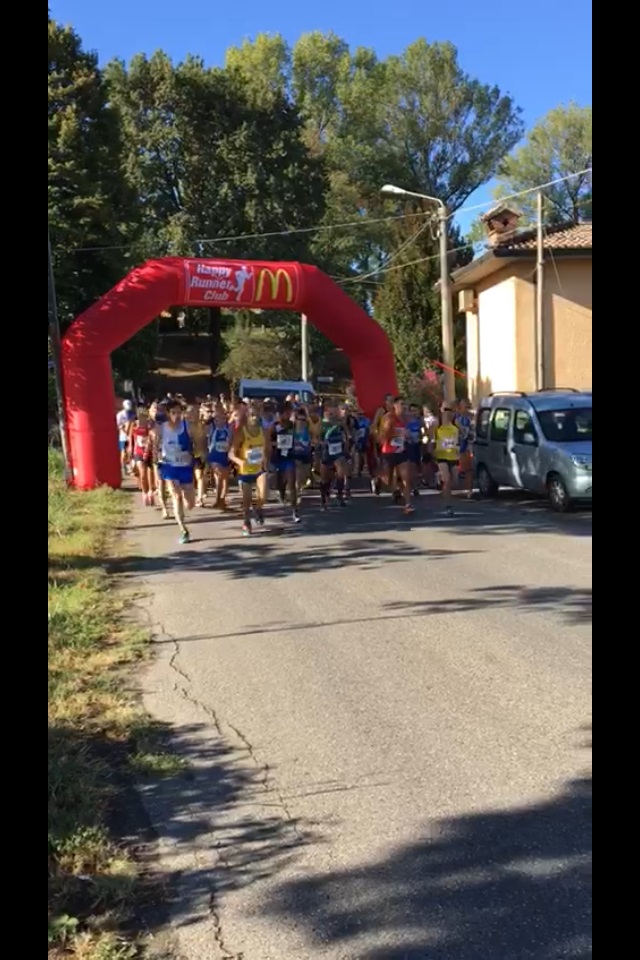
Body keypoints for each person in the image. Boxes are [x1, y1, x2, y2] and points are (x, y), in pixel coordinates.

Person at [154, 399, 195, 543]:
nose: (176, 416)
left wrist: (196, 455)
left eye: (178, 412)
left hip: (185, 466)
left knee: (190, 504)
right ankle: (183, 530)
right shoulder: (162, 428)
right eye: (173, 413)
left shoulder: (187, 426)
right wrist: (156, 458)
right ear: (168, 414)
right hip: (169, 466)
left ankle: (186, 501)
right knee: (176, 496)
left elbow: (197, 441)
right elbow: (155, 445)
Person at [229, 404, 269, 537]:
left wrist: (266, 462)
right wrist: (240, 462)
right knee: (246, 500)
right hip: (245, 471)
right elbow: (231, 454)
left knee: (264, 496)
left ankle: (258, 508)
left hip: (259, 469)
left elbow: (266, 450)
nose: (254, 418)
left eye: (256, 415)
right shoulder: (241, 432)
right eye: (252, 415)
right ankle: (246, 522)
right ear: (247, 416)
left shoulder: (263, 431)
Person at [379, 396, 413, 515]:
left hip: (401, 452)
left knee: (406, 478)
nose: (404, 407)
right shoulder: (388, 417)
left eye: (405, 404)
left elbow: (408, 433)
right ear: (395, 405)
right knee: (387, 481)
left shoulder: (406, 418)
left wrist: (408, 436)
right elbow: (383, 436)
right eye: (401, 404)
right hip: (389, 452)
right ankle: (378, 481)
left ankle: (408, 504)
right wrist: (396, 433)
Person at [434, 404, 461, 517]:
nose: (447, 413)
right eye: (445, 410)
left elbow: (460, 438)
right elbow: (430, 437)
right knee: (447, 480)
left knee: (455, 482)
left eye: (449, 411)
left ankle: (439, 478)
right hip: (442, 456)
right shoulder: (437, 425)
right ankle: (448, 506)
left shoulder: (455, 425)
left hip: (453, 456)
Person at [207, 408, 232, 509]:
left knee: (224, 479)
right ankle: (217, 500)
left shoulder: (228, 429)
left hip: (225, 456)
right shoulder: (211, 428)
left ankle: (222, 500)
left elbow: (231, 442)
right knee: (220, 476)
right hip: (215, 456)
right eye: (216, 419)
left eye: (222, 418)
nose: (219, 421)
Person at [116, 399, 135, 475]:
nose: (128, 410)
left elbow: (134, 424)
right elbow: (118, 425)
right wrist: (125, 430)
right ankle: (123, 467)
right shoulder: (120, 414)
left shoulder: (133, 414)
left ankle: (129, 467)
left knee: (130, 452)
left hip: (130, 436)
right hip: (123, 436)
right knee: (123, 452)